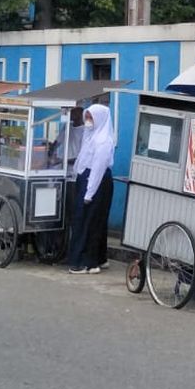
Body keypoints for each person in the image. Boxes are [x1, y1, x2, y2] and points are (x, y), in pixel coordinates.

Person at [66, 103, 115, 275]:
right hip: (86, 179)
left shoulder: (104, 141)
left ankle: (83, 261)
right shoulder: (91, 135)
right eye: (87, 117)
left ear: (99, 119)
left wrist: (89, 192)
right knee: (93, 220)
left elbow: (98, 169)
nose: (87, 120)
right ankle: (98, 258)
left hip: (96, 182)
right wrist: (76, 174)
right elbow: (82, 157)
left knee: (86, 221)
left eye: (90, 117)